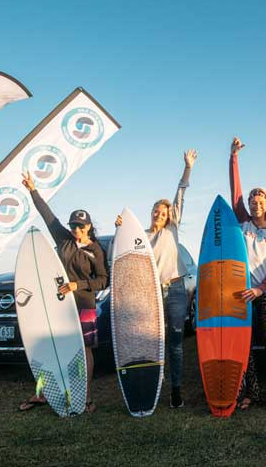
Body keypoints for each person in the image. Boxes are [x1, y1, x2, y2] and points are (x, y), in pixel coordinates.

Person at [18, 171, 108, 413]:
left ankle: (86, 397)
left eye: (80, 226)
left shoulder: (96, 250)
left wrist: (79, 285)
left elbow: (103, 280)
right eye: (73, 226)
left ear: (88, 226)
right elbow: (48, 217)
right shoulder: (64, 240)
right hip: (59, 305)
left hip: (84, 304)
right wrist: (32, 190)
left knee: (85, 350)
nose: (76, 229)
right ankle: (43, 393)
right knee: (52, 348)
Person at [114, 149, 197, 408]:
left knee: (174, 341)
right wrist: (120, 231)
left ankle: (175, 390)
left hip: (174, 290)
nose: (158, 215)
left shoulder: (172, 229)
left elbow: (181, 193)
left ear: (169, 216)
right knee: (150, 341)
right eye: (155, 212)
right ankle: (153, 385)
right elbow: (122, 258)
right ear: (150, 213)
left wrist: (188, 167)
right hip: (149, 294)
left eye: (163, 213)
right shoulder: (142, 238)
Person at [229, 137, 266, 410]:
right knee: (245, 346)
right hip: (241, 295)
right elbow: (236, 192)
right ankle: (251, 392)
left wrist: (261, 288)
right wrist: (234, 157)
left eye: (259, 201)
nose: (254, 204)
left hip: (265, 295)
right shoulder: (243, 223)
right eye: (252, 201)